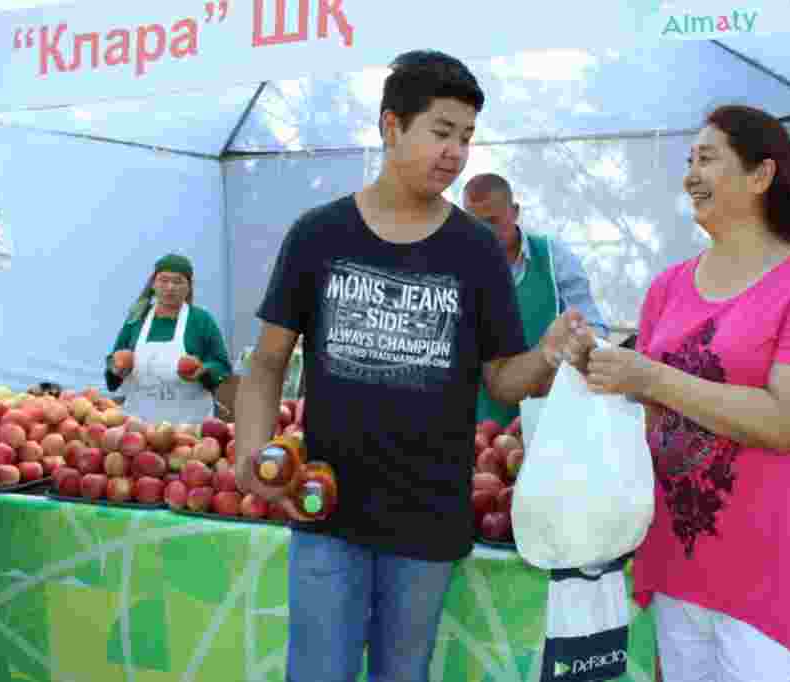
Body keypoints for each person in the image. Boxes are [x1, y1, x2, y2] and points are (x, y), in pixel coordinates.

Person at [233, 50, 580, 682]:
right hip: (325, 508)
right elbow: (265, 366)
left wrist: (550, 353)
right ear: (391, 126)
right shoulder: (319, 234)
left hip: (428, 518)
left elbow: (502, 378)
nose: (456, 152)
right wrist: (249, 453)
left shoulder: (474, 248)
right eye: (441, 131)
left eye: (467, 138)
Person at [562, 105, 790, 682]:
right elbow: (653, 414)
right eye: (688, 160)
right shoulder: (668, 286)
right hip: (680, 555)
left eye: (707, 159)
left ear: (760, 175)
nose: (689, 174)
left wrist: (650, 376)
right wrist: (595, 366)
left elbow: (787, 421)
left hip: (767, 564)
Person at [462, 173, 608, 426]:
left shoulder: (554, 259)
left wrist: (569, 356)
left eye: (492, 222)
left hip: (548, 422)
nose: (483, 233)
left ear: (515, 211)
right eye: (474, 223)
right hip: (473, 426)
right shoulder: (453, 264)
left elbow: (594, 332)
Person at [105, 254, 232, 424]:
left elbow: (222, 365)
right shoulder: (137, 318)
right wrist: (117, 367)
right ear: (153, 284)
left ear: (189, 287)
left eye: (178, 281)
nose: (170, 287)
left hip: (190, 428)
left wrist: (203, 371)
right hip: (138, 428)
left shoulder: (201, 320)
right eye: (163, 280)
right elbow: (113, 361)